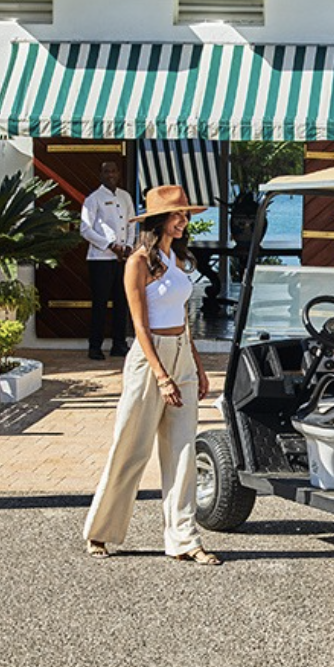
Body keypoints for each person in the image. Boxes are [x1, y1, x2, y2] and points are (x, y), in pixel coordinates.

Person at [84, 185, 221, 565]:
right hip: (149, 360)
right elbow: (140, 327)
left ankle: (184, 539)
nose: (183, 221)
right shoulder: (138, 262)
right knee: (131, 448)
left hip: (181, 356)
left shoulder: (176, 259)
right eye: (177, 215)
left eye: (185, 216)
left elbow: (184, 320)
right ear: (159, 219)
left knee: (183, 453)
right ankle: (101, 531)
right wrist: (161, 375)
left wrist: (195, 365)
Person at [80, 161, 136, 360]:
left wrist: (128, 246)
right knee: (100, 303)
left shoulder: (125, 196)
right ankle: (95, 347)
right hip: (100, 259)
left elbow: (131, 224)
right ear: (100, 175)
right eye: (106, 171)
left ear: (118, 173)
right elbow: (85, 229)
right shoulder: (93, 199)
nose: (110, 174)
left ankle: (119, 344)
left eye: (113, 171)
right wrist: (111, 245)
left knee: (122, 302)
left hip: (123, 259)